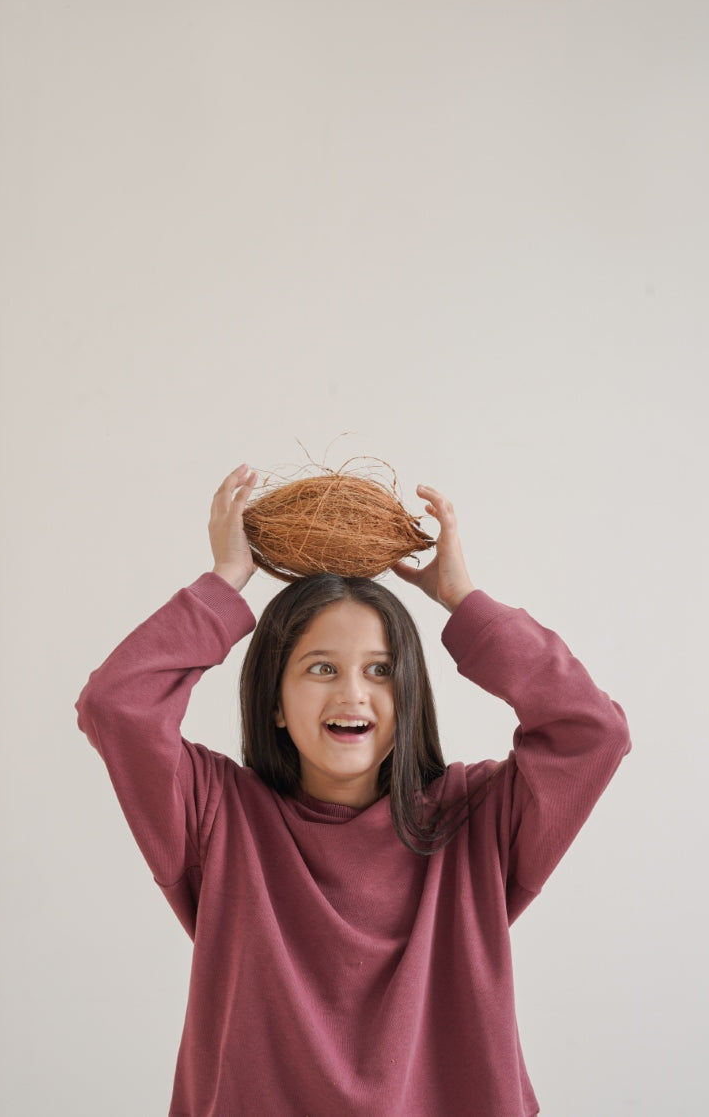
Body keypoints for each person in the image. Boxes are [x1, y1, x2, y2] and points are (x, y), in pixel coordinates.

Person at [76, 463, 631, 1116]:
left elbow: (591, 733)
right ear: (275, 700)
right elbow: (116, 706)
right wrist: (223, 584)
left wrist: (464, 601)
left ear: (409, 692)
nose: (352, 693)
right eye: (320, 668)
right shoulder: (217, 817)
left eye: (380, 670)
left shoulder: (475, 821)